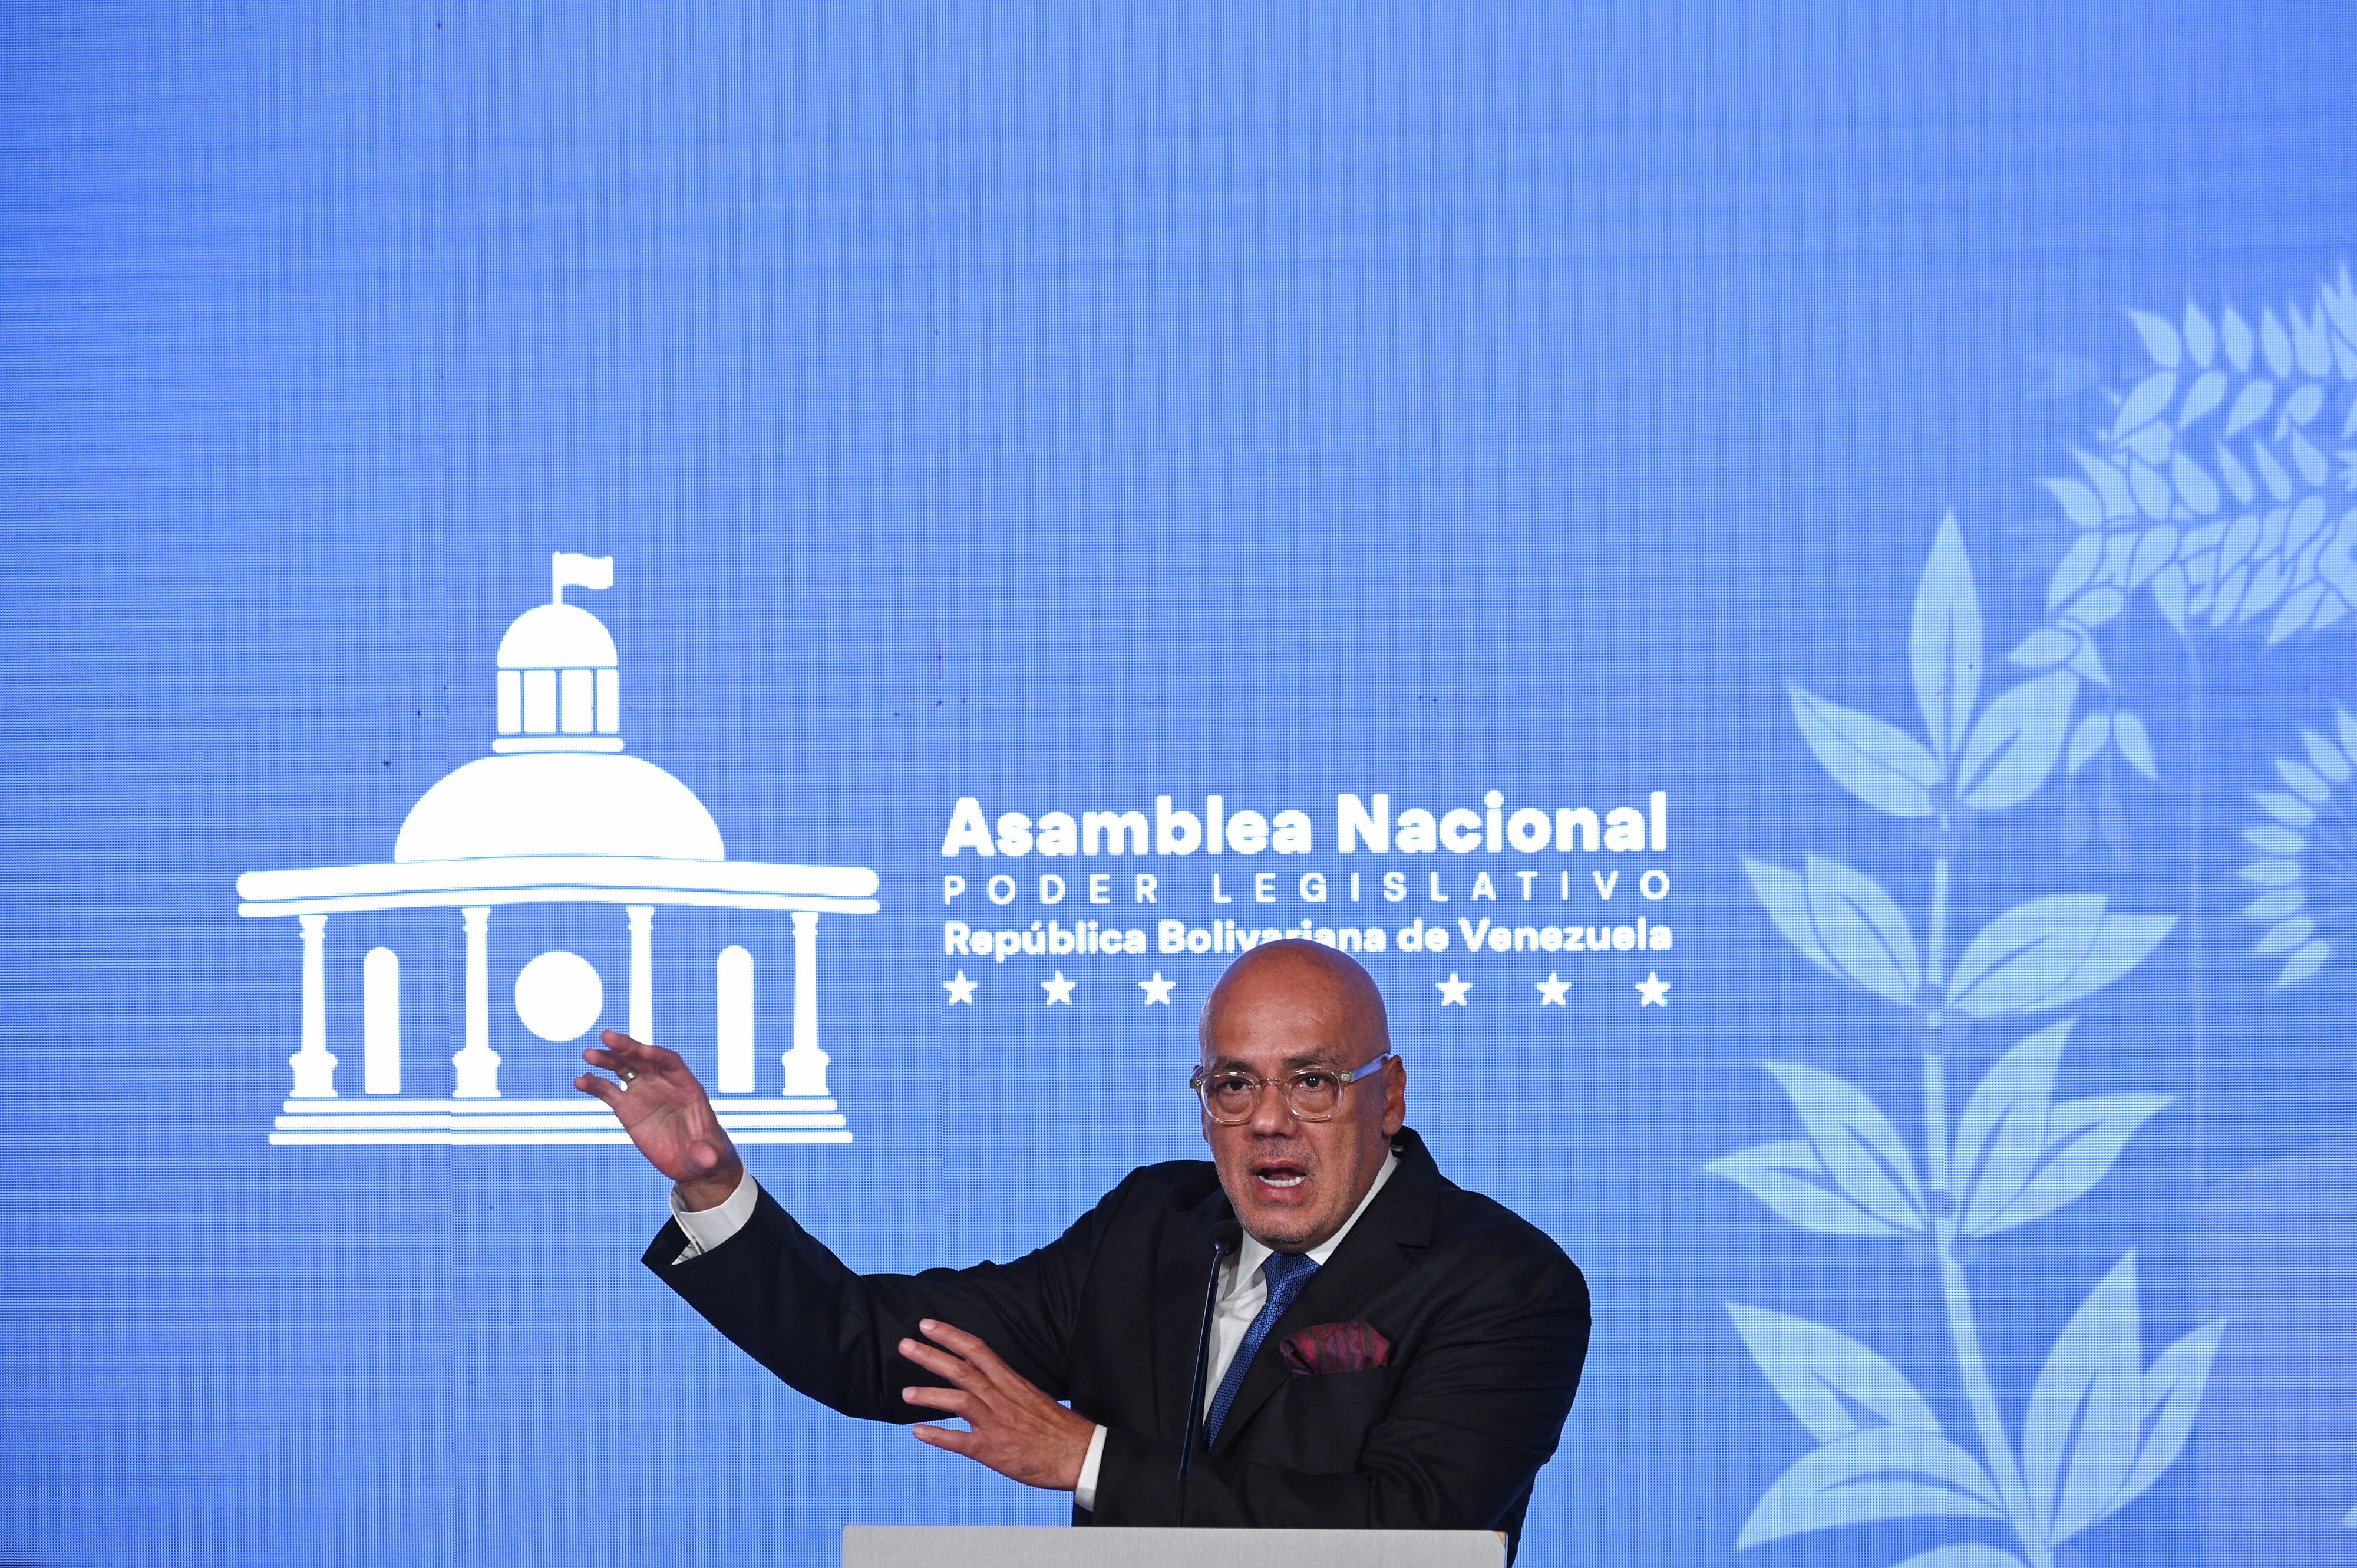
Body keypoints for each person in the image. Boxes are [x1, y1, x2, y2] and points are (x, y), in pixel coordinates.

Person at [576, 940, 1588, 1557]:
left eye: (1312, 1080)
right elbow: (874, 1345)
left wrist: (1089, 1458)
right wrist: (714, 1186)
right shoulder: (1154, 1228)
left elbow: (1408, 1529)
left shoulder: (1505, 1280)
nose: (1270, 1120)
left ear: (1391, 1095)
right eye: (1234, 1084)